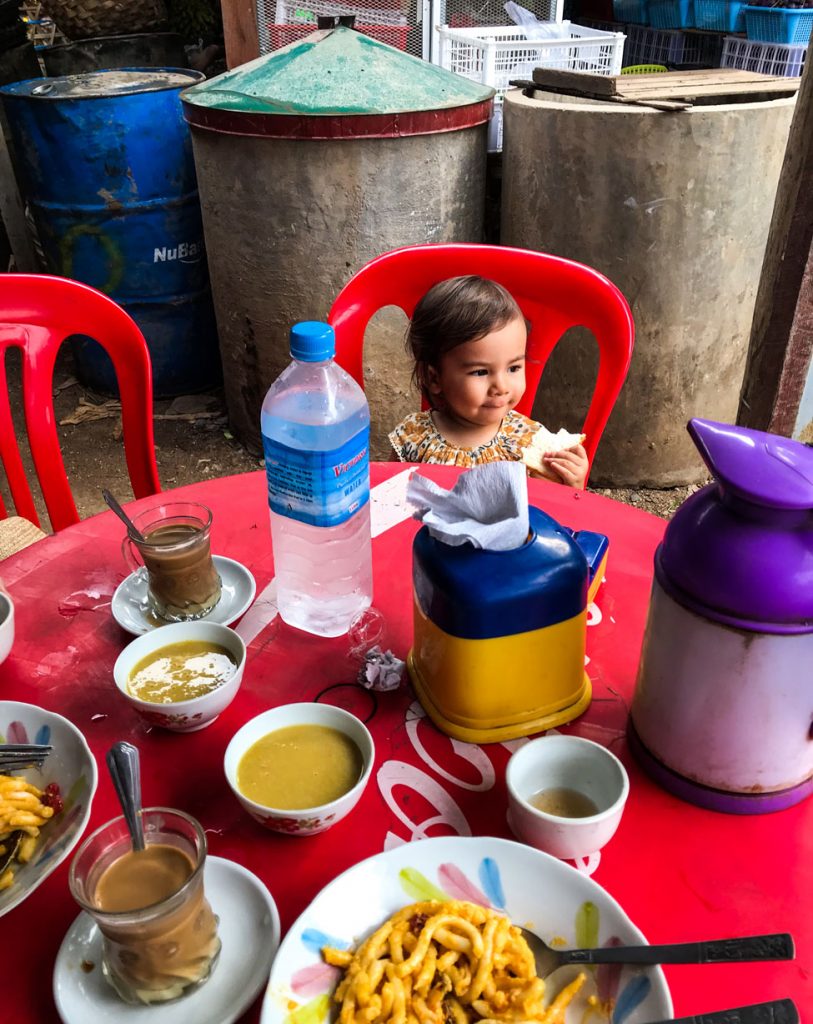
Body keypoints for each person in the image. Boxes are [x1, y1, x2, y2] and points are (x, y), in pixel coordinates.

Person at [388, 276, 589, 489]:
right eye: (480, 372)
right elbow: (386, 498)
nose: (501, 387)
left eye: (513, 368)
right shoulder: (413, 437)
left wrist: (572, 484)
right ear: (434, 378)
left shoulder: (528, 441)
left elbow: (553, 511)